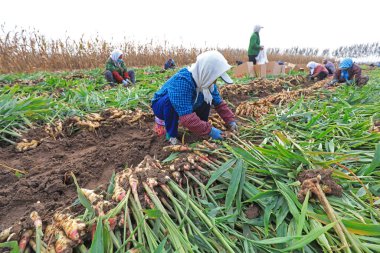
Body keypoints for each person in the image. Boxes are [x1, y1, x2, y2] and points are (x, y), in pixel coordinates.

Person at [151, 51, 237, 145]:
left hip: (187, 104)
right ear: (207, 72)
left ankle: (199, 128)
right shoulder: (183, 81)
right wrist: (210, 130)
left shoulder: (206, 82)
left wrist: (230, 121)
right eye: (215, 77)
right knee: (170, 102)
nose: (215, 81)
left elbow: (219, 104)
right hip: (161, 106)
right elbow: (186, 118)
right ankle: (171, 136)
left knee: (206, 97)